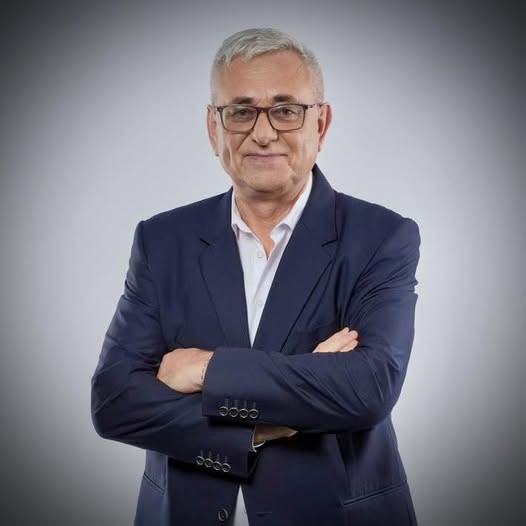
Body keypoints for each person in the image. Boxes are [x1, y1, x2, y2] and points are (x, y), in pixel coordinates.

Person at [91, 27, 421, 526]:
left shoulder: (381, 236)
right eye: (241, 112)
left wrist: (204, 370)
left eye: (286, 110)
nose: (263, 133)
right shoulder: (162, 240)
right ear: (213, 127)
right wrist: (263, 427)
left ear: (321, 123)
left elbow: (369, 388)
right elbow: (116, 402)